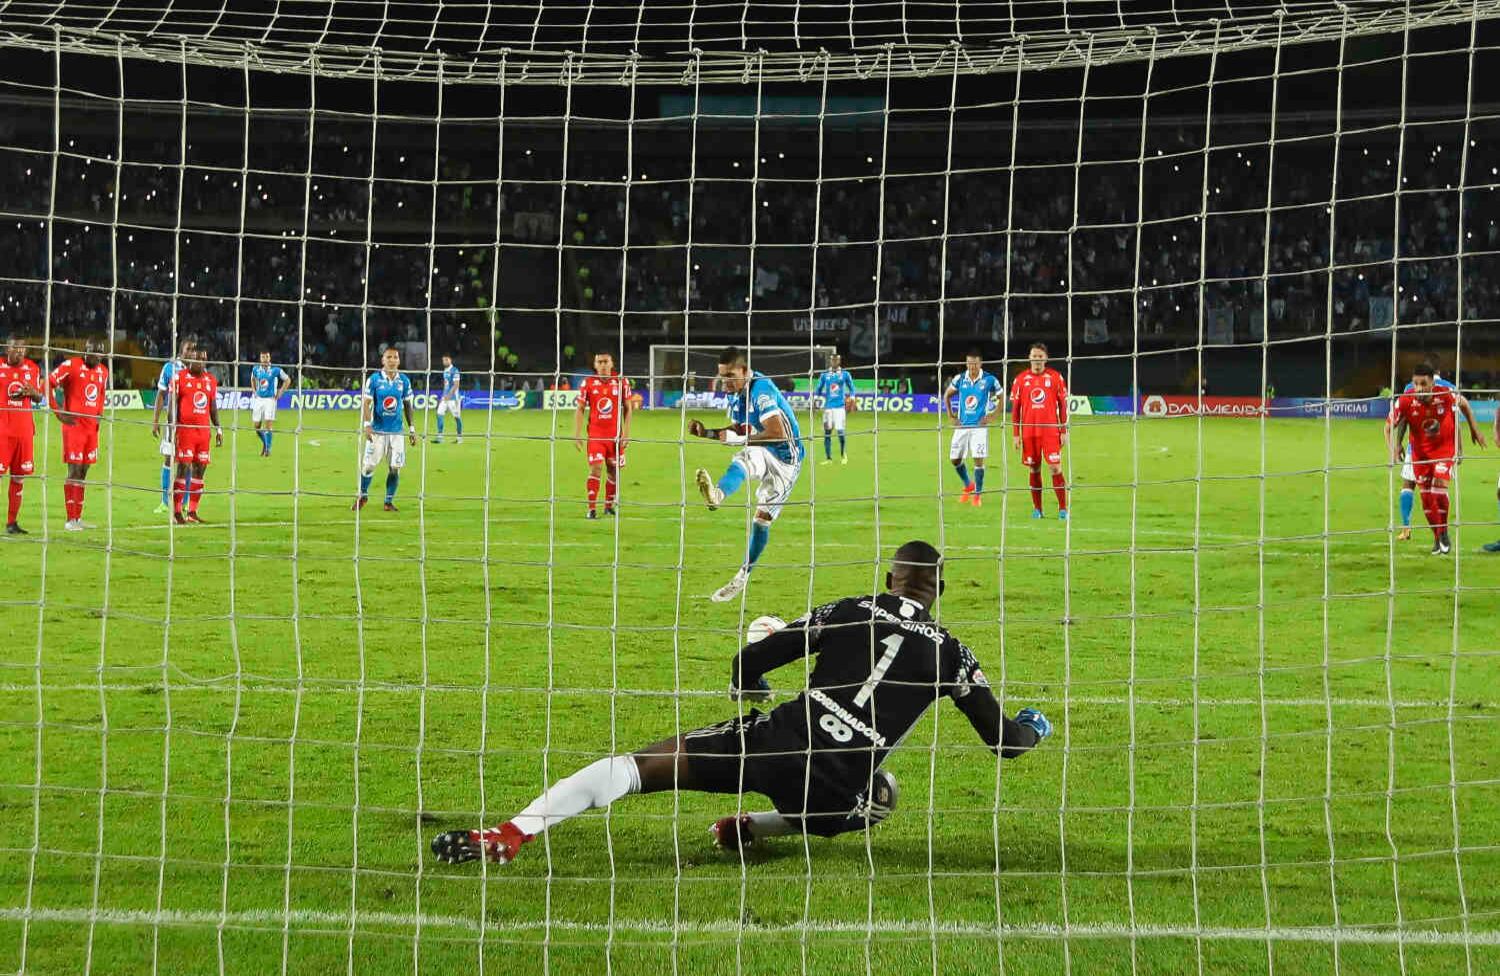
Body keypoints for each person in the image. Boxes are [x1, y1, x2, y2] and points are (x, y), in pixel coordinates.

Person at [430, 540, 1053, 865]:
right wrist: (1033, 727)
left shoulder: (851, 609)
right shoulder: (953, 654)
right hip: (836, 788)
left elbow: (750, 660)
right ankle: (748, 828)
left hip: (774, 743)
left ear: (890, 578)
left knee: (637, 769)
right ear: (939, 589)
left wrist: (751, 688)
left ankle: (510, 834)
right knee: (881, 797)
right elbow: (1005, 744)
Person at [689, 347, 805, 603]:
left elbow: (777, 433)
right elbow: (739, 428)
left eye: (730, 376)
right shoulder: (735, 394)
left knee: (761, 522)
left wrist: (740, 438)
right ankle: (716, 495)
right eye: (722, 376)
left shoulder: (761, 390)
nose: (725, 382)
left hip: (787, 460)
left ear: (745, 371)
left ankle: (742, 576)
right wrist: (707, 433)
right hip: (763, 449)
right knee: (744, 458)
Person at [1384, 370, 1484, 541]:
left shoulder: (1412, 388)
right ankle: (1441, 533)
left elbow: (1403, 420)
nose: (1419, 387)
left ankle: (1409, 529)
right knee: (1439, 488)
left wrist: (1398, 444)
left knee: (1410, 485)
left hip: (1419, 449)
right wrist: (1459, 447)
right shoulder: (1449, 387)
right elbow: (1455, 420)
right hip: (1436, 449)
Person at [48, 338, 109, 531]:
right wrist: (58, 412)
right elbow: (47, 383)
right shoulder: (71, 365)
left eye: (100, 352)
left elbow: (101, 394)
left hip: (91, 429)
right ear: (85, 350)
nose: (96, 356)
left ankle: (78, 517)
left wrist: (99, 415)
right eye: (93, 351)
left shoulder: (103, 371)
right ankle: (70, 520)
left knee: (83, 471)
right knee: (73, 471)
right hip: (74, 428)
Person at [1010, 342, 1071, 520]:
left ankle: (1063, 509)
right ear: (1029, 358)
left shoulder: (1055, 377)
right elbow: (1015, 410)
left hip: (1050, 432)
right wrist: (1016, 434)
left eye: (1040, 357)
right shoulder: (1020, 379)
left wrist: (1063, 430)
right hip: (1029, 432)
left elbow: (1063, 406)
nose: (1037, 360)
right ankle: (1038, 509)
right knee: (1034, 468)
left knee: (1055, 467)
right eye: (1034, 356)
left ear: (1046, 358)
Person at [354, 347, 417, 512]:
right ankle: (363, 496)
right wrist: (367, 425)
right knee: (368, 467)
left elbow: (408, 405)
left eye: (395, 357)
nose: (392, 360)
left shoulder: (404, 380)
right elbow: (366, 403)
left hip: (397, 433)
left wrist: (412, 429)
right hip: (377, 431)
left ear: (399, 361)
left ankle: (388, 502)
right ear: (383, 360)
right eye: (389, 357)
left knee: (395, 468)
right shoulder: (374, 379)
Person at [574, 349, 632, 519]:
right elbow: (580, 409)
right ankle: (591, 509)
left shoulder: (621, 382)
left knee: (613, 471)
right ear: (595, 365)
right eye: (599, 362)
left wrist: (626, 434)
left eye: (606, 362)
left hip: (615, 437)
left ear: (612, 363)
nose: (603, 365)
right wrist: (577, 434)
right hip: (596, 436)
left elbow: (628, 409)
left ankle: (608, 506)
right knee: (596, 467)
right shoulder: (588, 383)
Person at [167, 347, 222, 524]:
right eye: (198, 359)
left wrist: (218, 428)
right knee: (183, 468)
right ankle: (176, 512)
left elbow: (212, 407)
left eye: (204, 360)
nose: (201, 363)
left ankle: (192, 512)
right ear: (189, 360)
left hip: (203, 433)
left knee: (200, 469)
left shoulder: (210, 380)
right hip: (185, 431)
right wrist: (172, 428)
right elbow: (172, 406)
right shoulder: (179, 378)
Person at [943, 349, 1002, 507]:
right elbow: (947, 395)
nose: (972, 367)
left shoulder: (989, 379)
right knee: (954, 459)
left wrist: (993, 415)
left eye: (975, 364)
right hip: (962, 426)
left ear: (980, 363)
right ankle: (968, 485)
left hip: (979, 428)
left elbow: (1001, 395)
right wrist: (951, 416)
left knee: (978, 459)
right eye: (969, 363)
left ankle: (977, 495)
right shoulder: (960, 378)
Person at [0, 336, 43, 534]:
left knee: (19, 477)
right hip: (3, 433)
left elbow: (39, 398)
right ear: (7, 349)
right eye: (16, 349)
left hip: (24, 432)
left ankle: (12, 523)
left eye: (22, 350)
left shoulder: (32, 368)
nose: (20, 353)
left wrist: (32, 392)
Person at [150, 337, 194, 514]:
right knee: (168, 458)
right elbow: (161, 394)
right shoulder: (169, 368)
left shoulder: (197, 369)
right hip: (172, 423)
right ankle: (164, 501)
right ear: (181, 350)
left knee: (188, 462)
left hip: (190, 425)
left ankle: (185, 502)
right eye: (188, 349)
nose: (191, 353)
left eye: (193, 350)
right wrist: (155, 420)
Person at [815, 352, 856, 465]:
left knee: (840, 432)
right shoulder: (824, 375)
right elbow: (819, 388)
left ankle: (843, 454)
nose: (834, 362)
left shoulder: (845, 374)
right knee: (827, 433)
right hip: (828, 408)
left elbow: (852, 387)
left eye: (836, 360)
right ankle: (828, 459)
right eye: (832, 360)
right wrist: (815, 399)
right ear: (830, 361)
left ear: (839, 361)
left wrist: (852, 398)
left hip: (840, 408)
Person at [249, 351, 291, 457]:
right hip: (259, 399)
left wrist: (280, 393)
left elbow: (287, 380)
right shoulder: (255, 369)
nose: (265, 359)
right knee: (257, 426)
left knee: (268, 425)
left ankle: (268, 449)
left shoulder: (276, 370)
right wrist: (254, 391)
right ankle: (265, 443)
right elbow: (252, 379)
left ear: (270, 358)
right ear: (260, 359)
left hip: (270, 400)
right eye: (263, 357)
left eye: (267, 357)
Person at [434, 354, 463, 444]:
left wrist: (449, 395)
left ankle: (459, 438)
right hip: (445, 398)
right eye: (443, 360)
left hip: (454, 399)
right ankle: (440, 437)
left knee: (457, 417)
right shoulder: (445, 371)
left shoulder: (455, 370)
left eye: (446, 360)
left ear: (450, 360)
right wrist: (443, 396)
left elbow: (456, 385)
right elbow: (445, 385)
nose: (444, 362)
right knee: (439, 413)